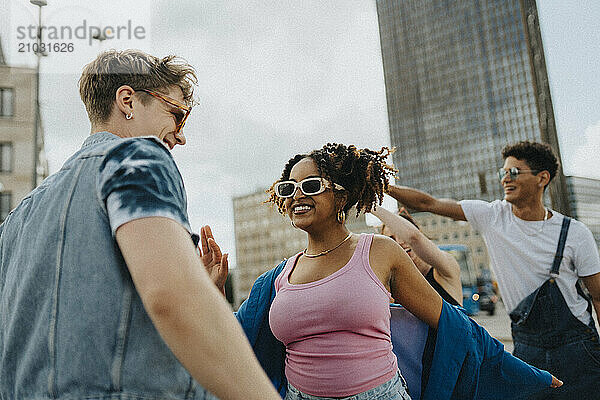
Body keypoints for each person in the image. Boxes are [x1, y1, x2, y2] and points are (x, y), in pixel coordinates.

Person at [0, 49, 280, 400]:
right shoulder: (137, 156)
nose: (180, 136)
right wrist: (192, 295)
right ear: (127, 100)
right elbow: (173, 299)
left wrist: (197, 285)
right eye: (176, 115)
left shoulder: (17, 218)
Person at [209, 143, 562, 399]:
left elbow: (455, 325)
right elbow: (233, 341)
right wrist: (210, 292)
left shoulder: (379, 252)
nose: (298, 194)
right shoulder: (276, 279)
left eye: (312, 185)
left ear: (341, 198)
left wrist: (528, 375)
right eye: (290, 188)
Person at [384, 140, 600, 399]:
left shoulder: (575, 233)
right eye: (503, 173)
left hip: (579, 350)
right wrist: (381, 187)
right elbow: (427, 202)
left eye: (515, 172)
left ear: (543, 178)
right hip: (527, 349)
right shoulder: (492, 216)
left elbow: (597, 295)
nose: (505, 178)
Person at [371, 206, 462, 305]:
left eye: (402, 235)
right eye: (392, 239)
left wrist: (370, 205)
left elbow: (414, 237)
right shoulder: (393, 286)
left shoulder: (444, 267)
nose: (399, 242)